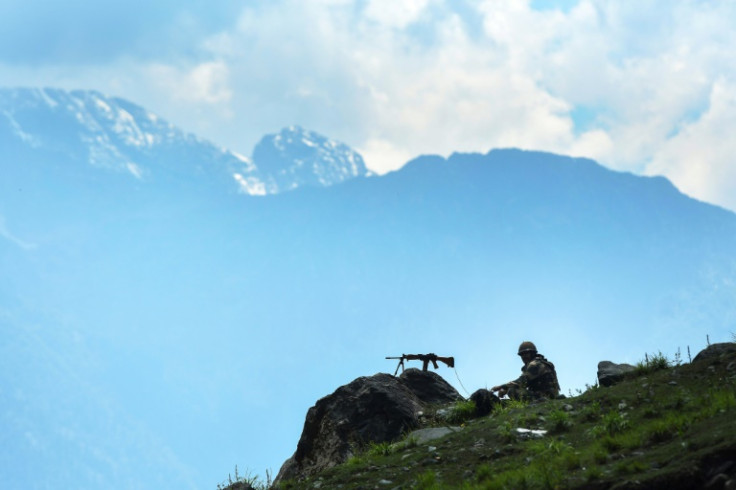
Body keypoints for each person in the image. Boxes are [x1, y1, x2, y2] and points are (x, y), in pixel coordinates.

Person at [491, 341, 560, 401]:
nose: (524, 357)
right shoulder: (539, 362)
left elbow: (522, 381)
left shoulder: (535, 364)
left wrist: (501, 387)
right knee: (507, 400)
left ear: (532, 353)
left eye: (526, 353)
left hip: (545, 397)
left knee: (512, 391)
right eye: (522, 355)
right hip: (546, 395)